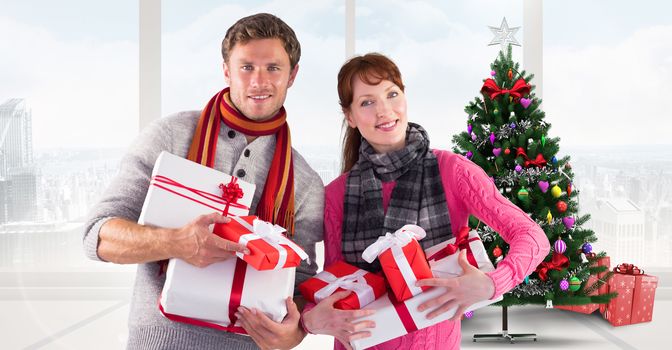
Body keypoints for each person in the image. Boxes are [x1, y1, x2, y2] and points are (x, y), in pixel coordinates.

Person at [83, 13, 324, 349]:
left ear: (292, 75)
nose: (259, 81)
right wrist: (176, 242)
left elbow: (299, 288)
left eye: (273, 68)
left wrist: (293, 333)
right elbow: (97, 236)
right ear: (226, 69)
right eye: (246, 67)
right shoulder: (170, 135)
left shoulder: (307, 181)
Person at [300, 53, 550, 350]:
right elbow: (333, 287)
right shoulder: (336, 195)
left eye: (392, 94)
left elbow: (532, 236)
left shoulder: (453, 171)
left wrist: (492, 284)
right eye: (367, 102)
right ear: (350, 117)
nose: (384, 110)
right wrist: (311, 321)